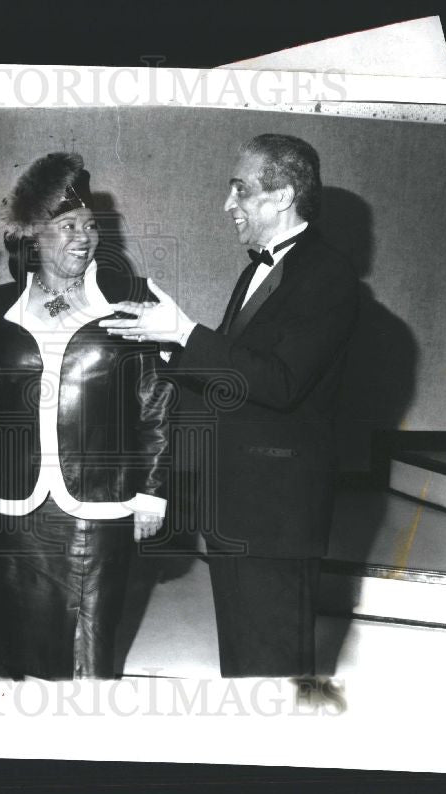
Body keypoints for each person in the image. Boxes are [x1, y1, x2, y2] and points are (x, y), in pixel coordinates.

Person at [101, 134, 358, 678]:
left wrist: (188, 332)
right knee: (244, 671)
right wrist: (164, 346)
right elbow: (233, 378)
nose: (227, 204)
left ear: (283, 194)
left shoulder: (328, 274)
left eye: (239, 190)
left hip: (275, 518)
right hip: (239, 510)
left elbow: (283, 383)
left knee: (272, 676)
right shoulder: (255, 272)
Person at [0, 152, 172, 680]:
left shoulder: (130, 304)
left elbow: (156, 405)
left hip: (97, 504)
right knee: (14, 639)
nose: (82, 237)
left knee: (87, 647)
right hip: (13, 506)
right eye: (66, 226)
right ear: (32, 235)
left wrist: (152, 492)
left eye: (89, 225)